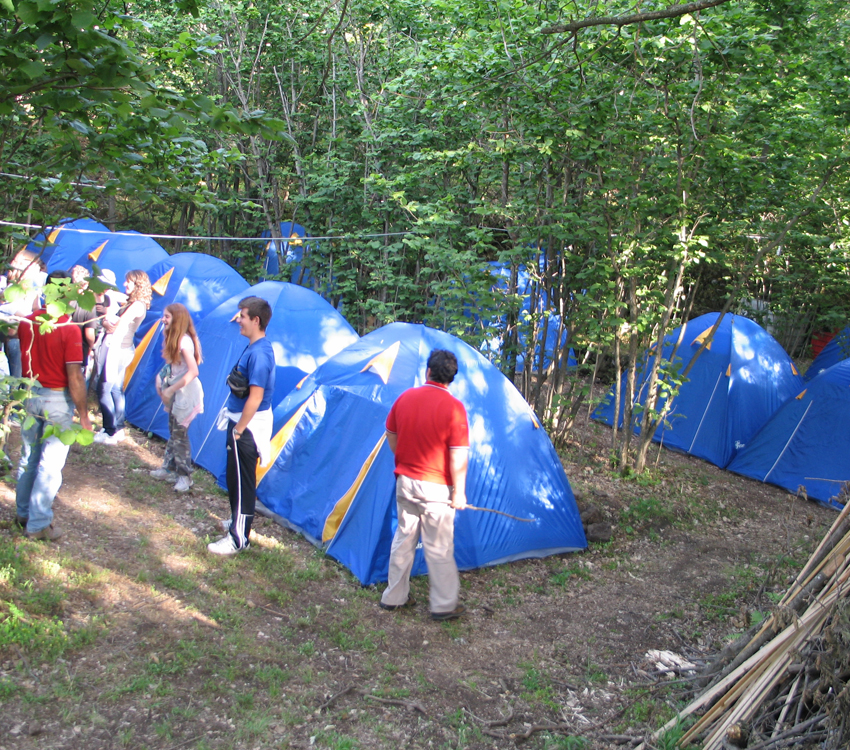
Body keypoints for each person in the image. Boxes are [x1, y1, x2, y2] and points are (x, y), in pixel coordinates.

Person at [380, 349, 470, 621]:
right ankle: (443, 605)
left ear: (428, 371)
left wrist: (403, 459)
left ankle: (394, 597)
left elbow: (391, 434)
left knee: (403, 539)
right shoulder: (455, 409)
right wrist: (459, 492)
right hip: (436, 489)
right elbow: (458, 455)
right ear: (451, 379)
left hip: (406, 482)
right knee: (438, 546)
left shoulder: (406, 397)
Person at [15, 271, 92, 540]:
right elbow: (75, 377)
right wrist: (83, 415)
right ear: (67, 294)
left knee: (29, 457)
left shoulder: (27, 323)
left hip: (30, 394)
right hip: (56, 398)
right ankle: (37, 524)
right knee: (49, 464)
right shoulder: (68, 329)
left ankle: (23, 513)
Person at [207, 296, 275, 556]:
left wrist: (238, 430)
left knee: (242, 482)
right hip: (240, 423)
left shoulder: (259, 355)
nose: (238, 320)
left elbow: (256, 397)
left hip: (246, 428)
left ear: (256, 320)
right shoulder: (255, 346)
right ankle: (238, 521)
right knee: (235, 480)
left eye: (242, 316)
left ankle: (238, 539)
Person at [94, 269, 151, 445]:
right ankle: (117, 427)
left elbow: (119, 324)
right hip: (122, 348)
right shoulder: (131, 302)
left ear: (137, 284)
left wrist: (106, 320)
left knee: (103, 388)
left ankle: (111, 430)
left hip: (116, 350)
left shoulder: (136, 305)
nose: (125, 284)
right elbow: (110, 293)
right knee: (116, 389)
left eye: (128, 282)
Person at [152, 303, 204, 492]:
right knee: (174, 431)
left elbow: (193, 371)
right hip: (177, 394)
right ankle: (168, 468)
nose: (163, 319)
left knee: (180, 434)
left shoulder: (184, 342)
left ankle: (185, 476)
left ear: (177, 319)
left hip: (186, 395)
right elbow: (173, 366)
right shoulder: (173, 338)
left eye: (167, 316)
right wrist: (162, 378)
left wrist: (171, 389)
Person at [0, 250, 45, 378]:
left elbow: (36, 309)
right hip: (8, 338)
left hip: (21, 338)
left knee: (19, 377)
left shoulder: (33, 288)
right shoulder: (5, 284)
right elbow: (5, 303)